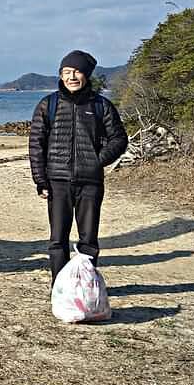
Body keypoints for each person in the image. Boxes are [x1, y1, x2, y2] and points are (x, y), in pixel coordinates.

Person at [28, 50, 127, 284]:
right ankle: (60, 288)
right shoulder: (48, 105)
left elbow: (119, 139)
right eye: (66, 72)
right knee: (57, 240)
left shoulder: (101, 105)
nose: (71, 77)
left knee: (89, 241)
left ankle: (85, 288)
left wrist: (96, 161)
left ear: (87, 74)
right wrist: (40, 180)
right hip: (57, 182)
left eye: (77, 72)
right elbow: (36, 144)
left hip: (90, 183)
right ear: (61, 75)